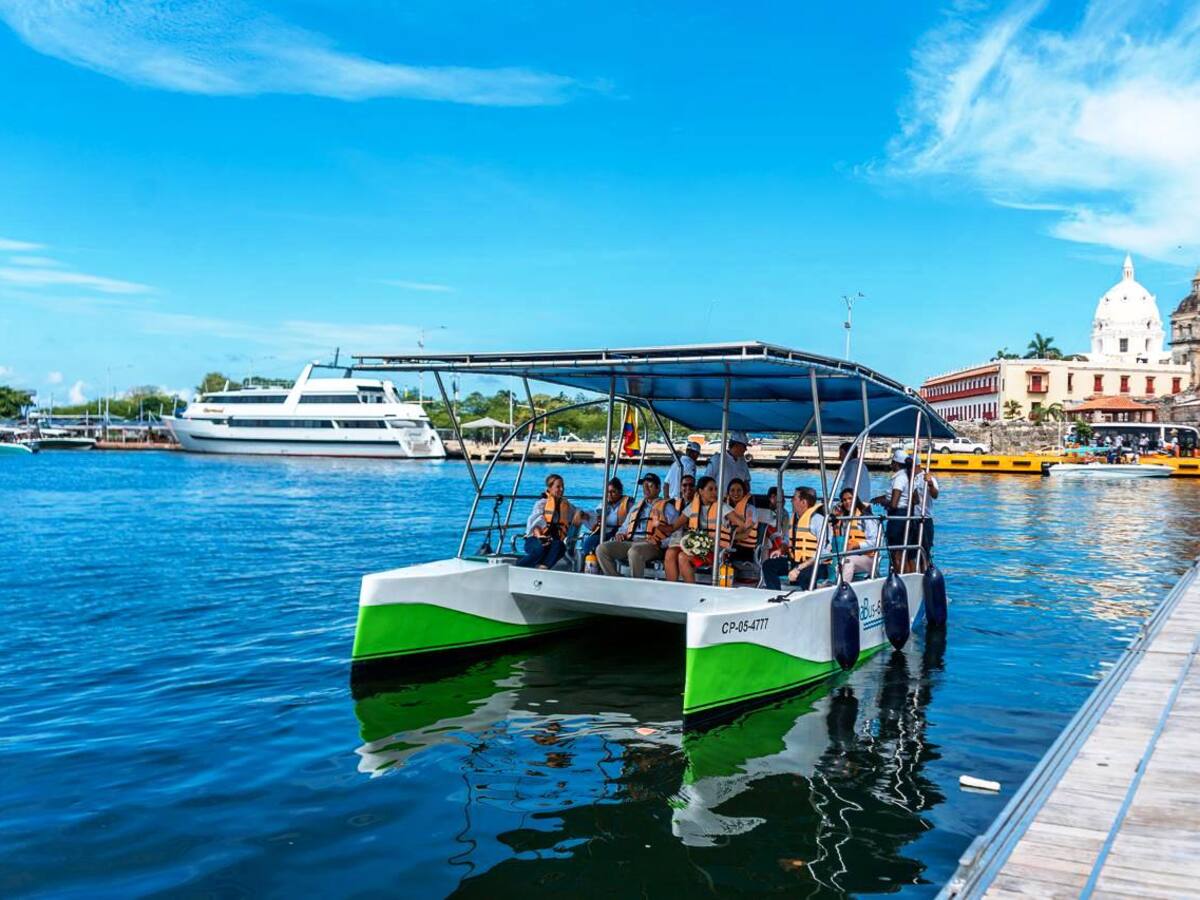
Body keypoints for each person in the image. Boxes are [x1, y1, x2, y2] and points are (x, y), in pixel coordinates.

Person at [597, 473, 677, 578]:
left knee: (634, 552)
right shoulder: (636, 507)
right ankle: (617, 582)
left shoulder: (668, 508)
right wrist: (620, 533)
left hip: (653, 545)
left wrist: (662, 542)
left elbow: (676, 532)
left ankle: (635, 585)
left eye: (650, 486)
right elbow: (624, 527)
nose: (646, 489)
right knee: (602, 549)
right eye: (644, 486)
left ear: (658, 489)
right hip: (631, 542)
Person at [666, 476, 737, 583]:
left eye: (716, 489)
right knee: (671, 552)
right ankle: (671, 588)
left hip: (718, 550)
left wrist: (736, 534)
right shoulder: (692, 507)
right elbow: (673, 527)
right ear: (701, 491)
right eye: (711, 489)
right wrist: (657, 524)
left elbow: (742, 524)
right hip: (699, 549)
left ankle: (690, 590)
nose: (714, 492)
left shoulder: (722, 507)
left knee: (683, 557)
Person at [761, 486, 826, 590]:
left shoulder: (819, 521)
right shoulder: (794, 519)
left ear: (803, 502)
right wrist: (781, 549)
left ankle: (807, 601)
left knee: (804, 576)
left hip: (815, 565)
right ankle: (775, 594)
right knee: (768, 565)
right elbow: (787, 540)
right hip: (794, 562)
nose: (790, 501)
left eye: (794, 498)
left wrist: (799, 568)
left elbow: (824, 552)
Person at [517, 473, 588, 569]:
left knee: (560, 546)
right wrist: (540, 537)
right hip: (535, 539)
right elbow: (536, 526)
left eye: (562, 486)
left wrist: (579, 513)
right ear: (549, 488)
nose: (561, 489)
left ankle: (543, 568)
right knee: (540, 549)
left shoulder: (566, 505)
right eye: (558, 487)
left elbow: (579, 511)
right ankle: (517, 567)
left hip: (552, 541)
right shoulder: (541, 504)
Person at [873, 450, 918, 573]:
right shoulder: (909, 477)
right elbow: (916, 499)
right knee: (906, 554)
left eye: (892, 463)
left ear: (896, 463)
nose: (891, 465)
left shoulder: (899, 478)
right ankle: (909, 581)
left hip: (897, 518)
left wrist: (885, 503)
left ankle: (900, 578)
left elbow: (894, 503)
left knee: (896, 554)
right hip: (907, 515)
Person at [831, 487, 880, 583]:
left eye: (850, 498)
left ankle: (843, 588)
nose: (847, 502)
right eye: (844, 500)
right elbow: (837, 540)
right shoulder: (845, 519)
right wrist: (837, 520)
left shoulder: (866, 518)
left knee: (848, 561)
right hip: (849, 555)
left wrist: (856, 545)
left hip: (868, 558)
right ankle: (830, 583)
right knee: (835, 561)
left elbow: (875, 542)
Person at [579, 477, 629, 566]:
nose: (610, 494)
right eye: (608, 492)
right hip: (603, 531)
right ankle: (591, 565)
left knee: (598, 544)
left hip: (618, 532)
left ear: (620, 492)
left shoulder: (628, 505)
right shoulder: (604, 504)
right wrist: (586, 516)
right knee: (588, 543)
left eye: (613, 492)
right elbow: (594, 515)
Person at [838, 441, 872, 508]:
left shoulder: (852, 466)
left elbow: (847, 489)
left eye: (841, 453)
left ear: (849, 454)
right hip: (864, 504)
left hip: (857, 506)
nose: (839, 457)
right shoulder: (860, 464)